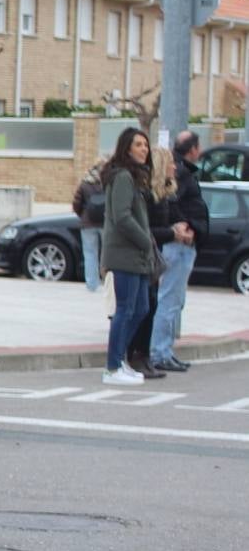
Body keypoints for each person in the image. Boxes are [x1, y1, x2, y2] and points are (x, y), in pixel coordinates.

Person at [100, 127, 155, 387]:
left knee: (141, 308)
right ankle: (112, 367)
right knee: (124, 309)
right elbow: (121, 216)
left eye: (146, 145)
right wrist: (145, 240)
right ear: (126, 148)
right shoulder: (122, 176)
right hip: (124, 254)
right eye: (138, 145)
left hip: (137, 255)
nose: (144, 149)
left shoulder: (135, 178)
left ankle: (120, 359)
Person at [152, 131, 207, 372]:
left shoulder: (182, 171)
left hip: (183, 245)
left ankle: (165, 350)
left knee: (176, 300)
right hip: (179, 245)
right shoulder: (180, 172)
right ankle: (159, 352)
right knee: (170, 300)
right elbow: (172, 204)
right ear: (193, 149)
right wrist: (186, 226)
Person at [126, 147, 183, 380]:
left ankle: (144, 356)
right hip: (143, 257)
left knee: (150, 307)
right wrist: (172, 233)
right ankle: (134, 355)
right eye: (170, 163)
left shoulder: (163, 193)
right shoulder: (146, 195)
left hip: (154, 257)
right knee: (143, 307)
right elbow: (147, 230)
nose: (175, 167)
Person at [72, 158, 108, 292]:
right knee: (107, 253)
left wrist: (82, 215)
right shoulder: (109, 182)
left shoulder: (85, 183)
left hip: (88, 223)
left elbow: (76, 203)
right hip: (106, 223)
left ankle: (92, 284)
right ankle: (107, 281)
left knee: (89, 253)